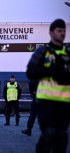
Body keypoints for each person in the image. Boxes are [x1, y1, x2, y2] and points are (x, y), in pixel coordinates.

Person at [26, 19, 70, 153]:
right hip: (46, 102)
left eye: (64, 31)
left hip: (64, 102)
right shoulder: (43, 52)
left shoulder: (68, 53)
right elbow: (30, 72)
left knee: (62, 136)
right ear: (51, 32)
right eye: (59, 30)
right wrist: (51, 69)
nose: (62, 33)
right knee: (49, 133)